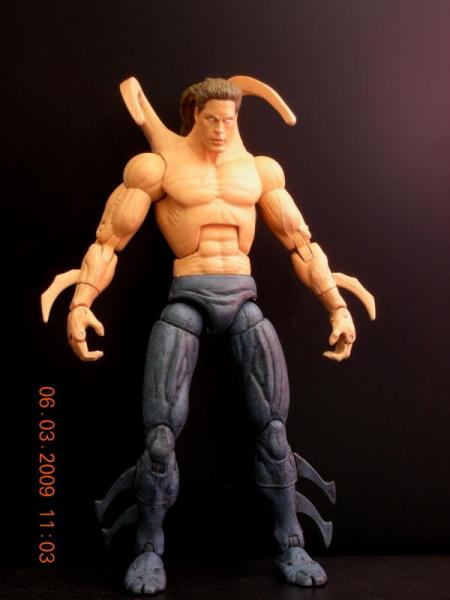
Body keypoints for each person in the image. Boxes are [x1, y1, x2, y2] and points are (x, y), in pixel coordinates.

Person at [42, 76, 375, 594]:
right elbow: (109, 241)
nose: (220, 128)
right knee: (159, 437)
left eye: (230, 119)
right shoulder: (158, 168)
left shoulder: (259, 171)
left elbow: (301, 244)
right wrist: (82, 302)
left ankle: (291, 542)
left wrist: (336, 305)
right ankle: (148, 549)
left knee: (275, 431)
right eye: (211, 119)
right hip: (186, 298)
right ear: (193, 116)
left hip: (244, 298)